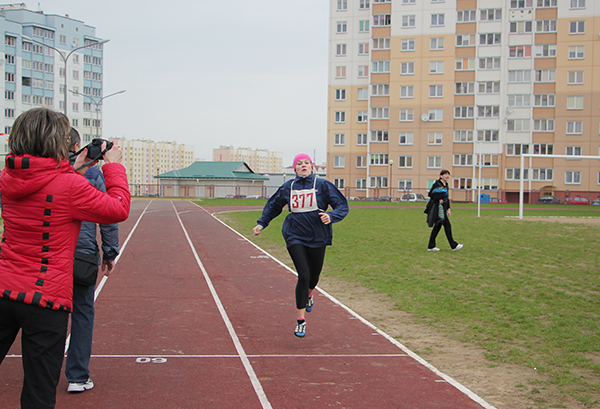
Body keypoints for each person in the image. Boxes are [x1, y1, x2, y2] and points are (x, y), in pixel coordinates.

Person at [0, 108, 130, 409]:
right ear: (56, 142)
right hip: (45, 299)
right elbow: (118, 208)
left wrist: (76, 166)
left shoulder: (7, 177)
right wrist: (113, 167)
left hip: (5, 289)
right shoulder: (70, 187)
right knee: (38, 393)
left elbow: (41, 182)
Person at [253, 154, 348, 338]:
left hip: (318, 235)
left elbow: (342, 206)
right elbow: (273, 205)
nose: (303, 165)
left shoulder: (323, 185)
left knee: (314, 276)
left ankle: (310, 295)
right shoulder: (288, 186)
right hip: (294, 234)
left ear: (312, 167)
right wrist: (261, 223)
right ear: (294, 168)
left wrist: (332, 216)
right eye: (299, 163)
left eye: (306, 163)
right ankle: (301, 321)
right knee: (303, 275)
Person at [64, 129, 120, 393]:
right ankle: (76, 375)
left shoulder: (42, 173)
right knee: (82, 313)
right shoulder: (94, 174)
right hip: (81, 255)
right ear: (79, 146)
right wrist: (109, 253)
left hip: (50, 255)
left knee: (43, 313)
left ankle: (45, 373)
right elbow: (108, 213)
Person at [425, 169, 463, 252]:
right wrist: (438, 199)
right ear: (441, 176)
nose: (447, 176)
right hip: (438, 208)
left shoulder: (446, 185)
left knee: (437, 227)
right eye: (445, 174)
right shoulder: (437, 184)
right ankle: (454, 245)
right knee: (447, 226)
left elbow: (447, 197)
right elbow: (431, 194)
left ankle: (431, 246)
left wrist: (449, 209)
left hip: (443, 208)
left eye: (448, 174)